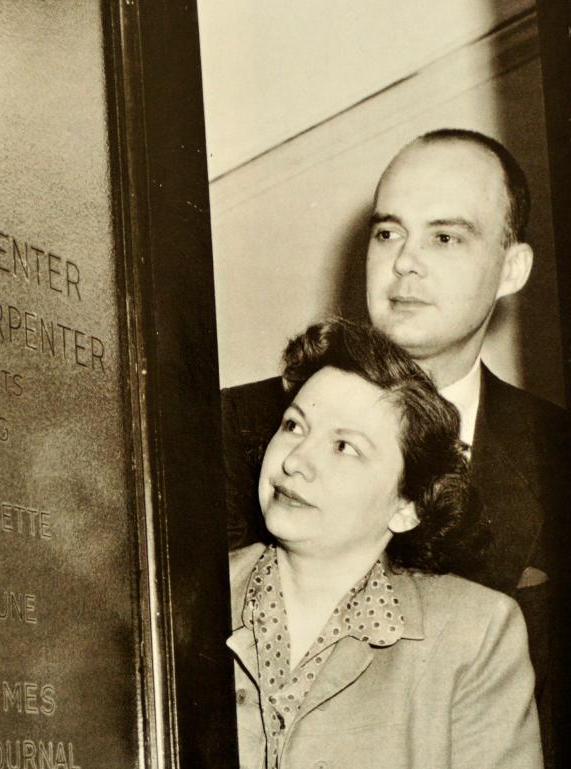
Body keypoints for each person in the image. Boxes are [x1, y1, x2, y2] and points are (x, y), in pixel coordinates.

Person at [221, 130, 569, 752]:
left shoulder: (559, 458)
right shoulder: (221, 430)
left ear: (512, 267)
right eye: (388, 233)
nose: (405, 260)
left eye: (445, 236)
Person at [228, 318, 541, 769]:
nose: (295, 461)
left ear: (407, 506)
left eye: (343, 447)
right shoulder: (180, 594)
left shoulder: (476, 634)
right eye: (294, 426)